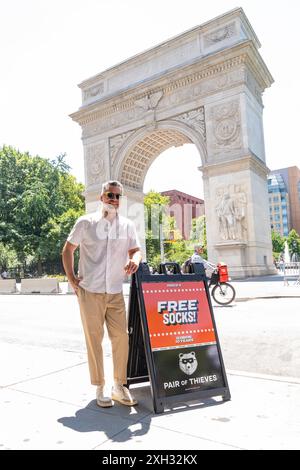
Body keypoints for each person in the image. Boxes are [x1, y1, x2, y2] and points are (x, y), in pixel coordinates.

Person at [62, 180, 142, 408]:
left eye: (117, 196)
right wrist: (71, 279)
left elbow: (135, 250)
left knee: (122, 338)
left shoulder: (127, 225)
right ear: (101, 197)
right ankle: (99, 386)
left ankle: (119, 386)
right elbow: (68, 249)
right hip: (90, 292)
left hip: (115, 291)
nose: (114, 200)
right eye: (110, 195)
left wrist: (134, 260)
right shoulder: (85, 223)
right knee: (94, 340)